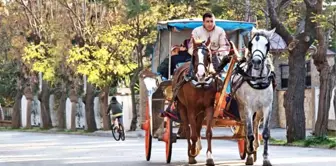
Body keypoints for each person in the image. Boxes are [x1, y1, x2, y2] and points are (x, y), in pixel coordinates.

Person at [185, 12, 231, 81]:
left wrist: (218, 53)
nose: (210, 24)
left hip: (215, 56)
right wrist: (197, 54)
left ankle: (222, 81)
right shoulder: (196, 31)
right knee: (192, 66)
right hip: (200, 56)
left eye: (212, 21)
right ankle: (190, 77)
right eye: (207, 21)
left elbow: (225, 46)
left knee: (223, 75)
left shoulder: (220, 31)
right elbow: (191, 47)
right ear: (203, 22)